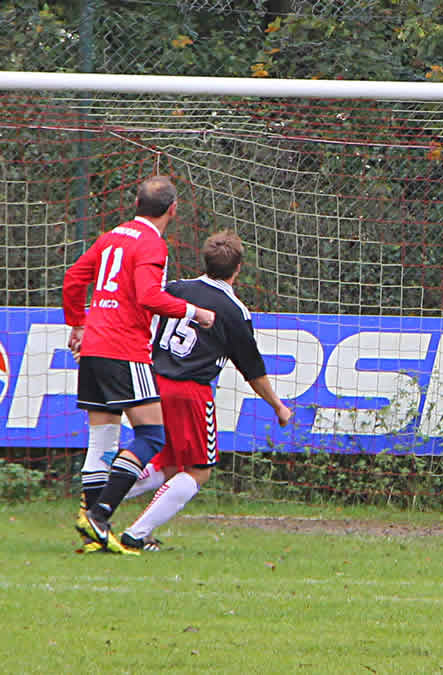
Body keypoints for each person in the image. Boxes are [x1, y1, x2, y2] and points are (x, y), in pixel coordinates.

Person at [63, 176, 216, 554]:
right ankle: (100, 515)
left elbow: (73, 278)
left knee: (102, 440)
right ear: (172, 209)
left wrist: (77, 324)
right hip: (124, 349)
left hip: (94, 347)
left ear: (135, 203)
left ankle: (92, 530)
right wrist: (195, 311)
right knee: (151, 436)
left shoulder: (112, 235)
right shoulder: (152, 243)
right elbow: (149, 296)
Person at [117, 230, 293, 551]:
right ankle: (135, 532)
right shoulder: (234, 311)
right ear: (239, 268)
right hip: (190, 393)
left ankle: (99, 501)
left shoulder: (175, 289)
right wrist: (278, 406)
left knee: (164, 461)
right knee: (199, 471)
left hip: (153, 384)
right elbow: (252, 370)